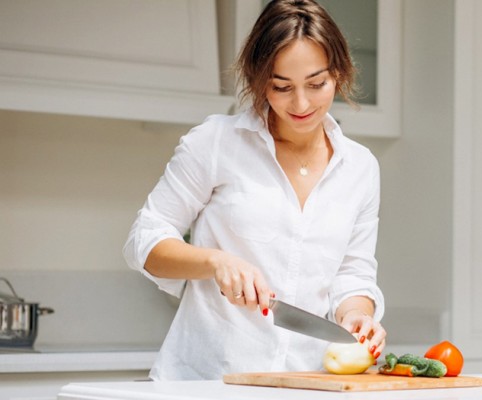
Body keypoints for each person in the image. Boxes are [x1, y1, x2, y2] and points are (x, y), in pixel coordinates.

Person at [123, 0, 386, 380]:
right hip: (206, 381)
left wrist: (358, 316)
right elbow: (143, 241)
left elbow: (353, 273)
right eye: (282, 87)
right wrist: (215, 261)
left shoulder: (360, 168)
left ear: (340, 73)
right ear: (259, 78)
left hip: (304, 383)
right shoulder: (215, 143)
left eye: (317, 84)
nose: (301, 103)